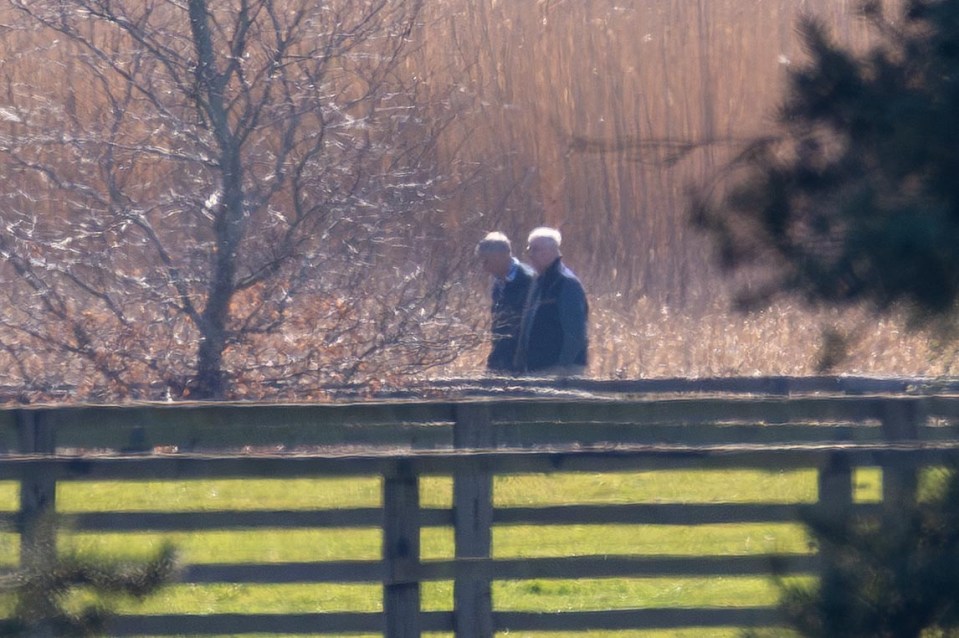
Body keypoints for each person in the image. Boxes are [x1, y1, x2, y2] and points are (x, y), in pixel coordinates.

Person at [515, 227, 589, 376]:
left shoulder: (566, 283)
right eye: (529, 250)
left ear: (551, 251)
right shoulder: (538, 281)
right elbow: (527, 326)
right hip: (536, 367)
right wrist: (520, 363)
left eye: (535, 250)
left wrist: (562, 366)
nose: (530, 255)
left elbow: (575, 332)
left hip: (560, 370)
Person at [476, 232, 535, 374]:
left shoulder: (528, 280)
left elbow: (531, 325)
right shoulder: (498, 282)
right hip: (503, 356)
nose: (484, 267)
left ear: (501, 256)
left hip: (526, 359)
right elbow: (500, 326)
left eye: (486, 261)